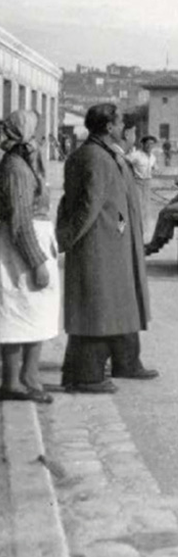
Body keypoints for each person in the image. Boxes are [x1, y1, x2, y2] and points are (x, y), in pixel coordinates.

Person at [57, 103, 155, 394]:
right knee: (97, 308)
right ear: (109, 127)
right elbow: (88, 206)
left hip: (115, 242)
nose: (125, 127)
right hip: (99, 246)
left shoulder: (105, 153)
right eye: (120, 122)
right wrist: (64, 240)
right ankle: (85, 375)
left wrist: (123, 226)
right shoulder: (94, 157)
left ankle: (127, 361)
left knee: (120, 303)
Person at [0, 110, 58, 403]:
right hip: (21, 249)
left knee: (35, 313)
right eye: (35, 134)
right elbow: (20, 221)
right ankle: (15, 379)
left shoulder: (23, 163)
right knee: (18, 313)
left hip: (31, 242)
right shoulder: (15, 169)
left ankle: (27, 375)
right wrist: (37, 262)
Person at [126, 135, 158, 232]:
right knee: (137, 206)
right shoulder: (136, 155)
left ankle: (144, 229)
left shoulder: (153, 157)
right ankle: (133, 228)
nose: (149, 146)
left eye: (152, 144)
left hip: (148, 183)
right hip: (137, 183)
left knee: (146, 207)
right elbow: (124, 161)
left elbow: (154, 167)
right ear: (143, 144)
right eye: (147, 144)